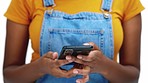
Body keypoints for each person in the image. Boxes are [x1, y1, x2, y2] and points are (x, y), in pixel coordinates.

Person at [3, 0, 144, 83]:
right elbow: (9, 76)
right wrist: (40, 68)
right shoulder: (25, 2)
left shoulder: (127, 2)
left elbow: (132, 77)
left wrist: (104, 66)